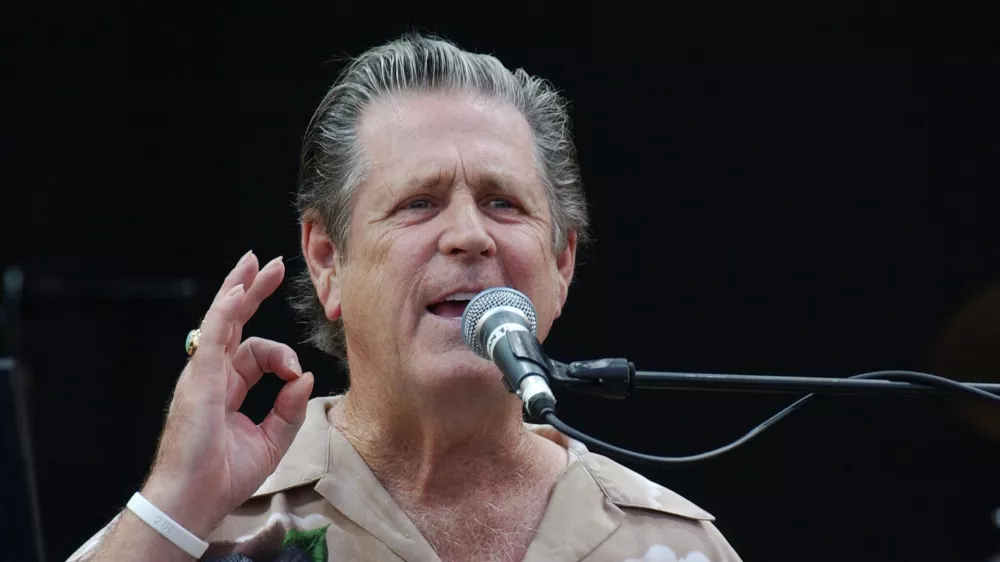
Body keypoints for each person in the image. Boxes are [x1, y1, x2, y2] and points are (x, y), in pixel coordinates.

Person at [68, 34, 743, 562]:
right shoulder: (208, 519)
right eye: (419, 204)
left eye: (502, 203)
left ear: (561, 263)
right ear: (328, 260)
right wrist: (174, 508)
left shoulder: (676, 546)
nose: (470, 237)